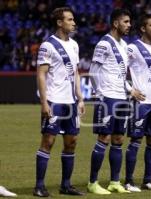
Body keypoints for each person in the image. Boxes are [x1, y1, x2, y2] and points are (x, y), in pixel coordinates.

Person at [34, 7, 85, 197]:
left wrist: (80, 98)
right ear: (59, 22)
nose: (73, 23)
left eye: (73, 19)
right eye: (70, 20)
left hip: (70, 102)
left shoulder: (74, 45)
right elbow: (41, 74)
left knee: (71, 142)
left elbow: (76, 73)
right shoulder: (48, 45)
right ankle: (39, 186)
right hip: (54, 100)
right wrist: (44, 102)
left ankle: (66, 185)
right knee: (48, 141)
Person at [87, 8, 138, 194]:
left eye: (129, 22)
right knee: (104, 138)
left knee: (118, 139)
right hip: (107, 98)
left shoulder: (124, 46)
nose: (129, 25)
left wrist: (130, 89)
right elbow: (93, 70)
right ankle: (93, 182)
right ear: (116, 23)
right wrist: (99, 93)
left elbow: (120, 74)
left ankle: (115, 182)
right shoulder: (104, 44)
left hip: (122, 98)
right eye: (126, 22)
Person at [124, 14, 151, 192]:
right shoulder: (132, 48)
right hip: (140, 102)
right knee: (136, 139)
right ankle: (128, 181)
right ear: (143, 28)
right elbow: (120, 70)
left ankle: (148, 181)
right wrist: (130, 89)